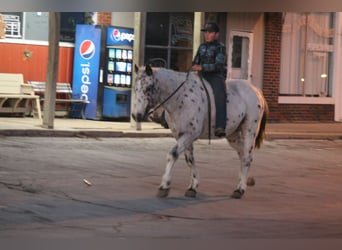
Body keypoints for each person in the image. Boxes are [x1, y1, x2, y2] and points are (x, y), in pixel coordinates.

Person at [191, 22, 227, 137]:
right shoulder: (201, 46)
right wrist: (195, 65)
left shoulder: (220, 47)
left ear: (216, 34)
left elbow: (219, 65)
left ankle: (220, 126)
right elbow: (195, 61)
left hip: (215, 76)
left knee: (220, 96)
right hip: (200, 75)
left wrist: (202, 67)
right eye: (205, 32)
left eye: (210, 32)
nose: (206, 34)